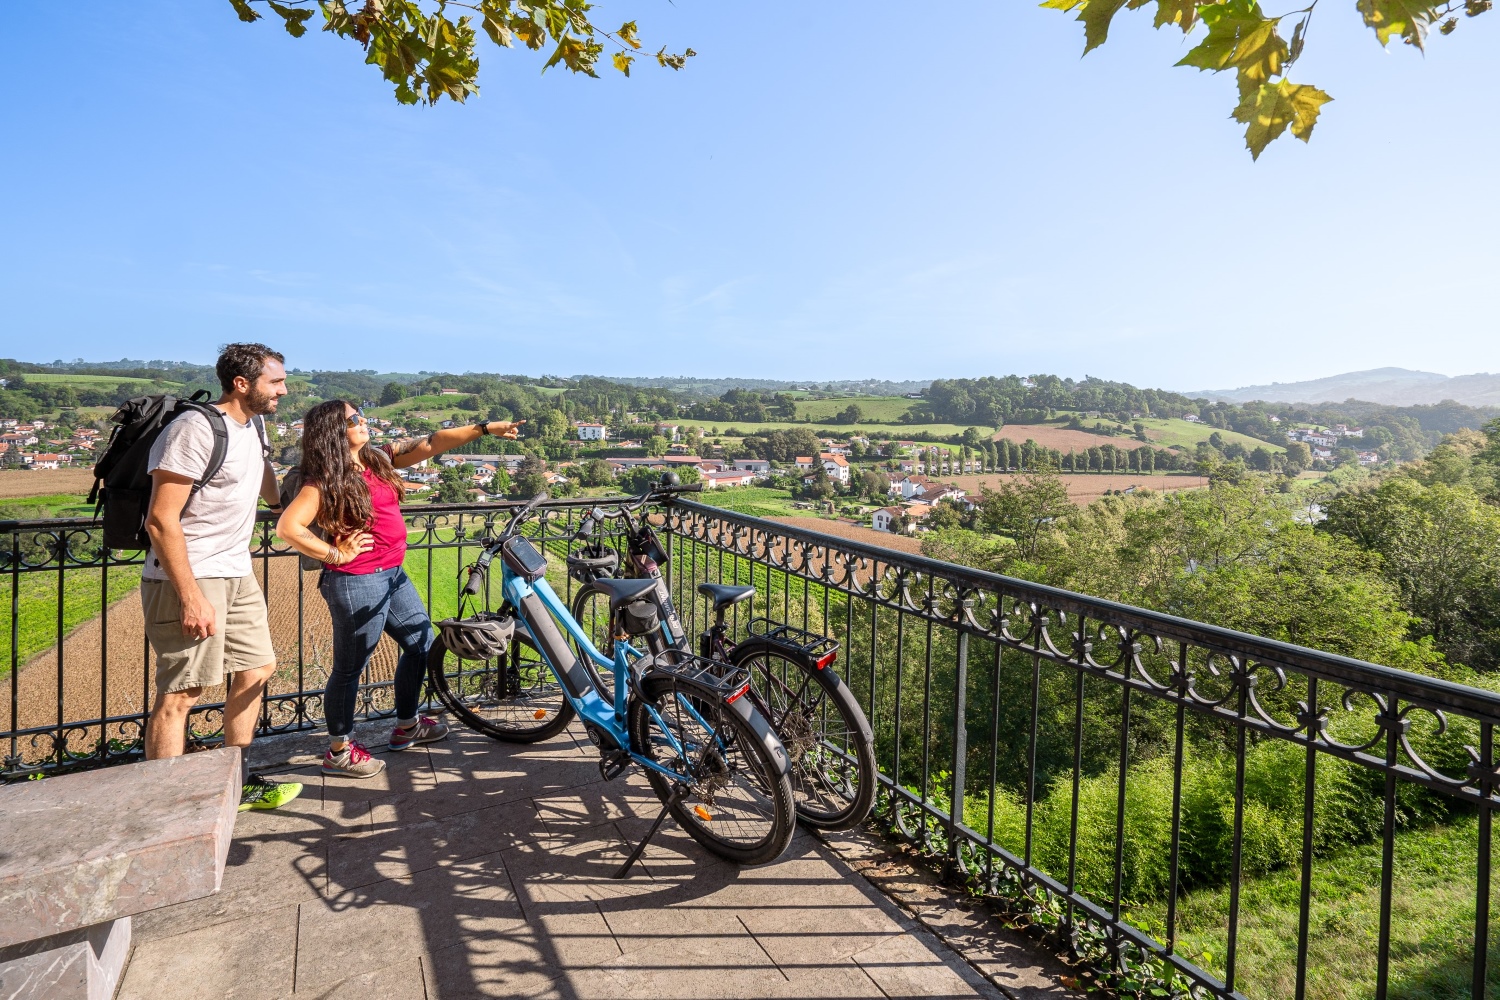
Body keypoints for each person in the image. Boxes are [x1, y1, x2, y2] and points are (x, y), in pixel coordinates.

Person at [277, 402, 523, 778]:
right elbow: (288, 527)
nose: (362, 422)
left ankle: (408, 725)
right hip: (357, 581)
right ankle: (339, 751)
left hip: (392, 574)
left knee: (421, 643)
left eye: (361, 416)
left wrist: (486, 429)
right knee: (350, 668)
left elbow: (430, 443)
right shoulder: (325, 478)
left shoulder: (376, 460)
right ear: (333, 431)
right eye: (353, 420)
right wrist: (335, 555)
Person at [143, 342, 301, 811]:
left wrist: (280, 508)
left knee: (257, 668)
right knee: (183, 693)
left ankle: (237, 780)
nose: (284, 391)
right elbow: (160, 519)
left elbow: (262, 468)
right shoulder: (193, 429)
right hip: (190, 577)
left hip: (236, 570)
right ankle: (164, 804)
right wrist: (190, 597)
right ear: (242, 383)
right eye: (276, 382)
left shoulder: (254, 423)